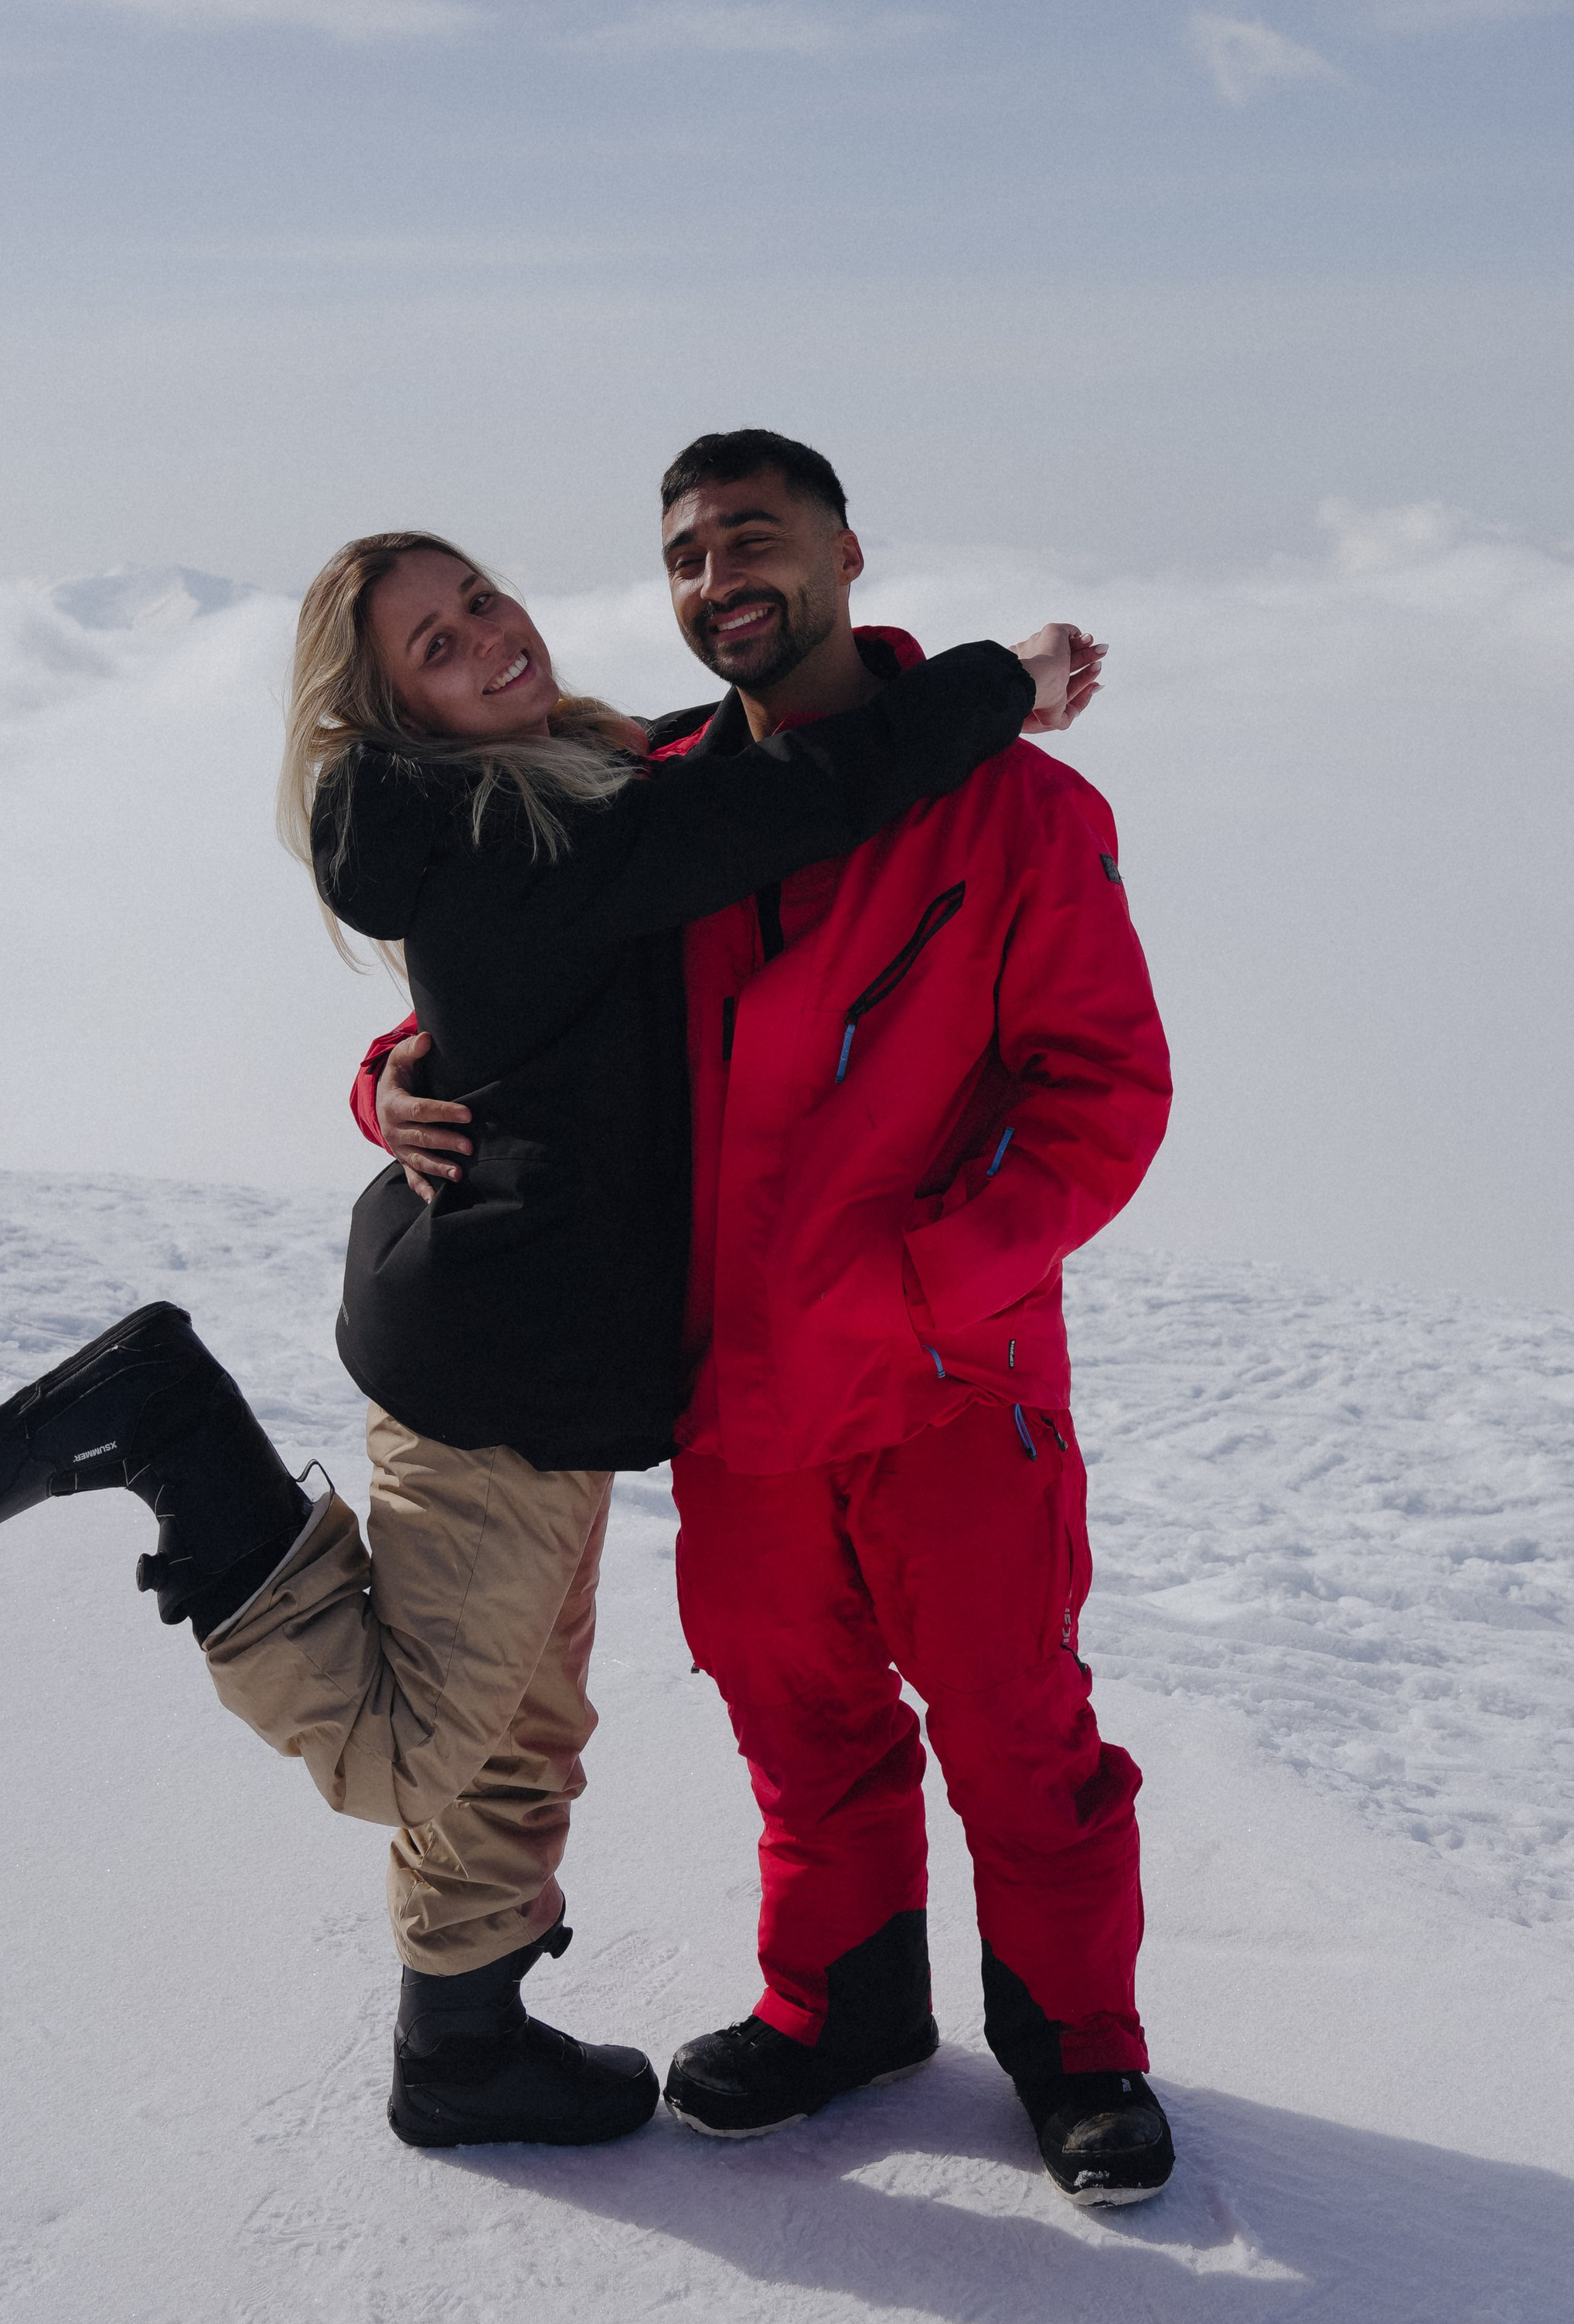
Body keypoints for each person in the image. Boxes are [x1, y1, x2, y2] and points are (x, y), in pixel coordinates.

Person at [0, 524, 1089, 2155]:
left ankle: (465, 2046)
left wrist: (386, 1073)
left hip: (537, 1345)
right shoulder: (527, 833)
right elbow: (794, 799)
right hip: (503, 1368)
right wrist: (1008, 681)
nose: (485, 634)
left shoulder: (566, 780)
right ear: (392, 713)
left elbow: (529, 985)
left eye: (478, 597)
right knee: (411, 1752)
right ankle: (180, 1442)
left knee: (516, 1732)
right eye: (432, 642)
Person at [363, 435, 1174, 2203]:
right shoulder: (635, 797)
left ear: (844, 552)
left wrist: (919, 1284)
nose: (716, 572)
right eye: (682, 551)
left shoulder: (1022, 814)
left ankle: (1079, 2053)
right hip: (729, 1397)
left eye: (753, 536)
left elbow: (1101, 1099)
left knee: (1013, 1732)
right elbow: (506, 987)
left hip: (947, 1385)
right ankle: (840, 2012)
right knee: (794, 1723)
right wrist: (395, 1078)